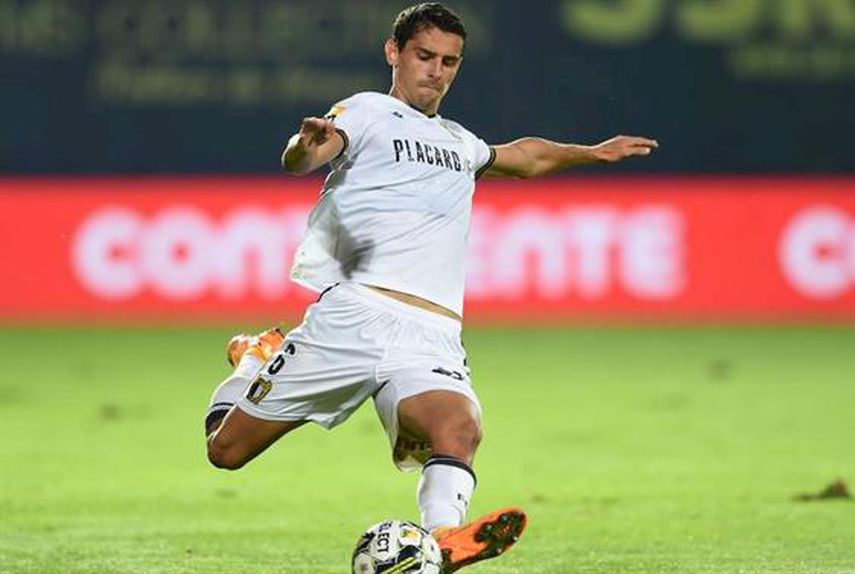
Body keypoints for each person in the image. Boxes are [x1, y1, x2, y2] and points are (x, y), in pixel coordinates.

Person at [203, 3, 657, 571]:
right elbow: (307, 156)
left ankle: (442, 541)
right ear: (393, 53)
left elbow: (525, 157)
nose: (436, 71)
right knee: (226, 450)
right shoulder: (366, 111)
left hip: (431, 331)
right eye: (424, 56)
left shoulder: (460, 143)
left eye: (449, 61)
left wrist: (589, 153)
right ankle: (254, 358)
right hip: (353, 317)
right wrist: (305, 145)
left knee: (458, 426)